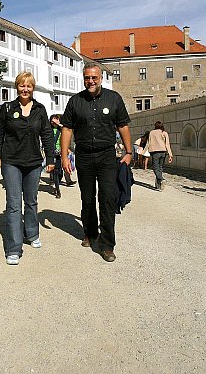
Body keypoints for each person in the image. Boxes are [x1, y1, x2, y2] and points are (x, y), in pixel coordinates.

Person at [61, 62, 132, 263]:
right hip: (83, 155)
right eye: (87, 78)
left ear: (101, 78)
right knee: (88, 198)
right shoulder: (75, 102)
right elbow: (67, 128)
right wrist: (65, 156)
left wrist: (129, 151)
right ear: (83, 78)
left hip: (107, 156)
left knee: (108, 198)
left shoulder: (114, 98)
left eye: (94, 77)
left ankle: (107, 244)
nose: (90, 81)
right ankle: (90, 233)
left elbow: (123, 125)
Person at [0, 72, 55, 266]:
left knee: (31, 201)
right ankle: (13, 248)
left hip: (34, 162)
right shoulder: (7, 108)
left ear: (33, 88)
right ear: (16, 87)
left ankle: (32, 233)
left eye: (28, 86)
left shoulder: (40, 109)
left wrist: (50, 158)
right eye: (21, 86)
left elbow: (47, 134)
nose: (25, 89)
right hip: (11, 161)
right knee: (13, 203)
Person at [148, 121, 173, 191]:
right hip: (163, 152)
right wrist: (170, 155)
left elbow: (149, 142)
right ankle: (159, 186)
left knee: (155, 167)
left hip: (155, 152)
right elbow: (167, 144)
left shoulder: (152, 132)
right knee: (160, 167)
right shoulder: (164, 133)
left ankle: (161, 179)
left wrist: (147, 151)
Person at [50, 114, 63, 199]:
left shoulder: (61, 129)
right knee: (55, 172)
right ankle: (58, 191)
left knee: (60, 172)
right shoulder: (49, 129)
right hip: (52, 152)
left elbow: (67, 129)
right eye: (52, 120)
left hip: (60, 153)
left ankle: (56, 180)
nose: (54, 122)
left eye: (56, 119)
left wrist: (58, 124)